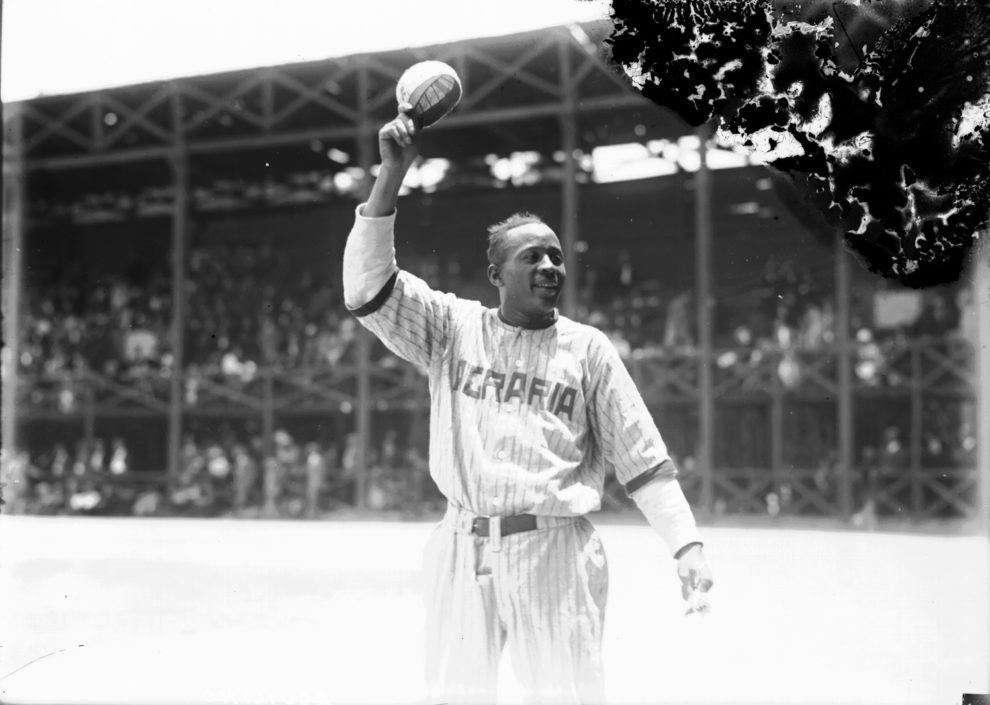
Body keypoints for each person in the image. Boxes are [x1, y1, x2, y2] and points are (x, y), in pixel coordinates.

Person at [342, 109, 714, 705]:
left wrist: (686, 545)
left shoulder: (587, 349)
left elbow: (643, 459)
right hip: (463, 545)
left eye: (556, 256)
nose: (549, 266)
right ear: (495, 274)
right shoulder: (450, 327)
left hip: (555, 549)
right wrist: (390, 177)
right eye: (532, 258)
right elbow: (366, 289)